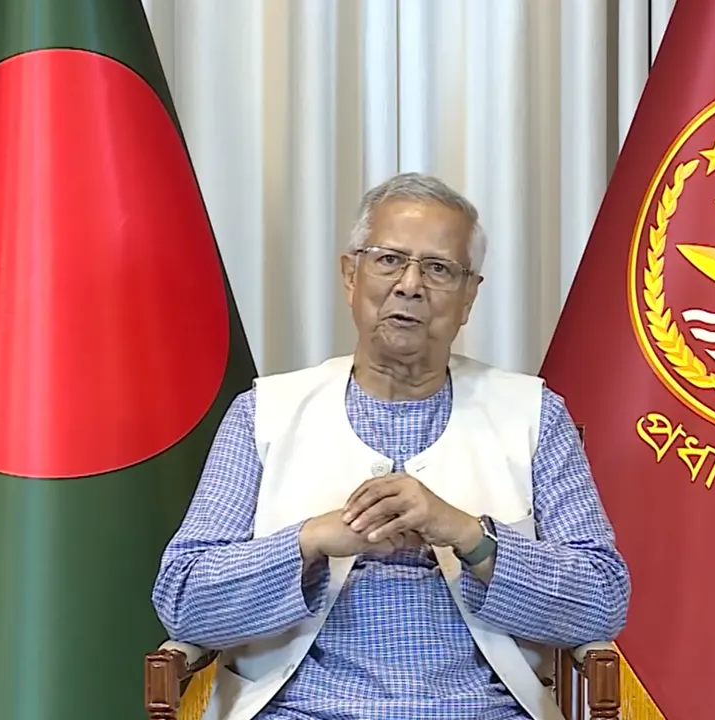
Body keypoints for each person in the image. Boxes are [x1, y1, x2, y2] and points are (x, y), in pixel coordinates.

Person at [151, 172, 630, 720]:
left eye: (439, 269)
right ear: (350, 276)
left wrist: (469, 536)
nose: (410, 285)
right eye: (388, 260)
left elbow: (602, 600)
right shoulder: (263, 415)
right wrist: (310, 541)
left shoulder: (533, 414)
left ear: (469, 297)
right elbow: (183, 600)